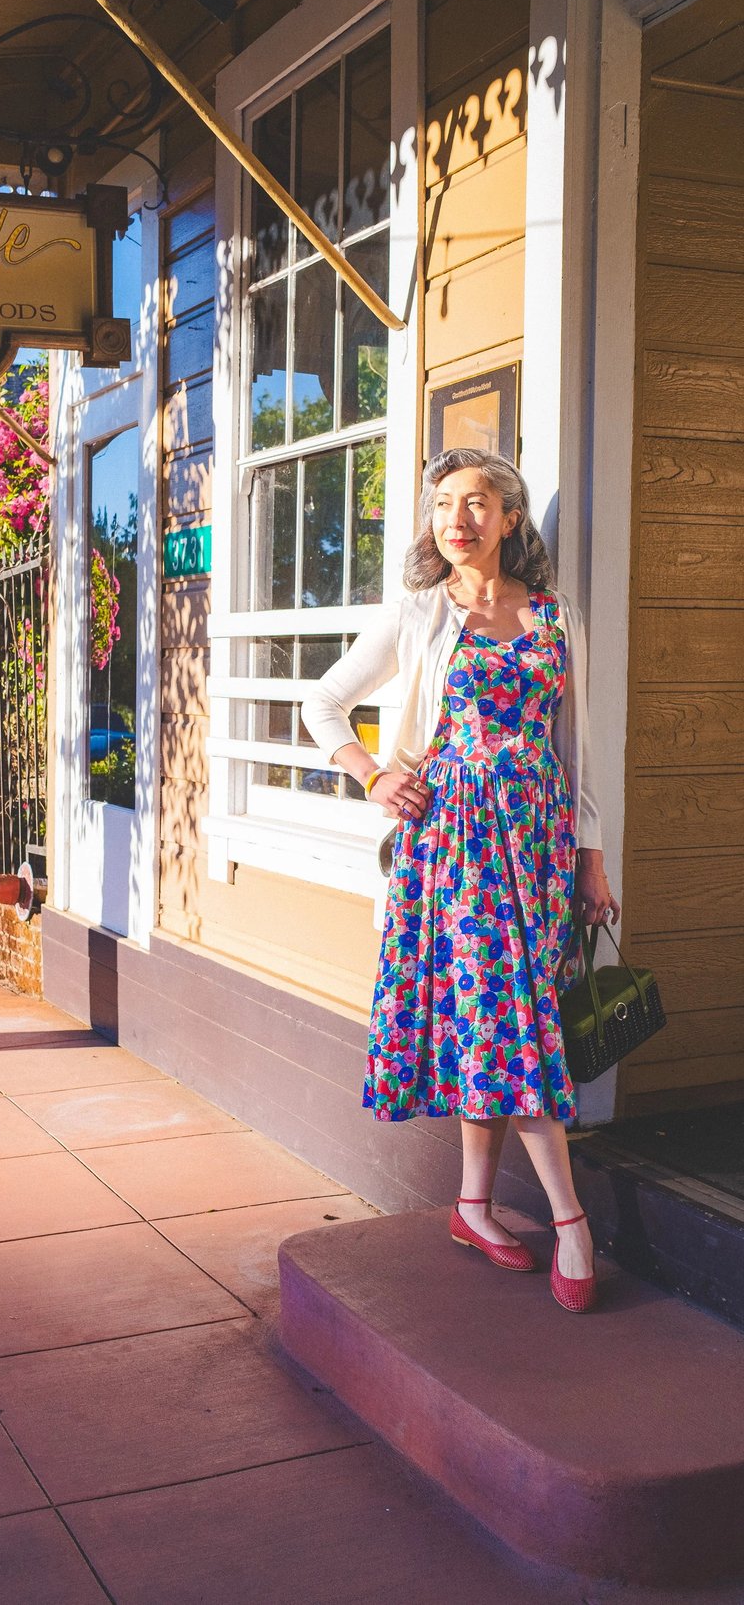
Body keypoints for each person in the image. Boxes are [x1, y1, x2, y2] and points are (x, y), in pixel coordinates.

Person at [301, 448, 620, 1313]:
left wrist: (591, 858)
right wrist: (372, 775)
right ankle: (570, 1220)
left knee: (501, 1017)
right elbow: (320, 703)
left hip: (540, 849)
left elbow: (578, 752)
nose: (458, 520)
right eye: (443, 504)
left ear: (510, 519)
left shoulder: (554, 618)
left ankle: (474, 1205)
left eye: (477, 503)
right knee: (507, 1017)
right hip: (455, 849)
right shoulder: (419, 613)